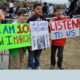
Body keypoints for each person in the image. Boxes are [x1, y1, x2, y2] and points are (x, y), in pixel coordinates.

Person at [27, 4, 46, 69]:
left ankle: (37, 65)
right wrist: (29, 44)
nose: (40, 10)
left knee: (37, 56)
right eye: (38, 9)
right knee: (31, 55)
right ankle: (30, 66)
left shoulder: (44, 19)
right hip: (32, 42)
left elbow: (46, 32)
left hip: (40, 42)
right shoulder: (30, 20)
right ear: (34, 10)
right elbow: (26, 33)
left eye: (41, 9)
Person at [50, 5, 69, 70]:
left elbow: (71, 27)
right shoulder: (53, 21)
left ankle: (59, 64)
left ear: (62, 11)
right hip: (54, 41)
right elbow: (50, 30)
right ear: (54, 13)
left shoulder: (66, 20)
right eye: (57, 11)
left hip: (62, 42)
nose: (59, 12)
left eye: (61, 11)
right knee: (52, 54)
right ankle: (52, 64)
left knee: (60, 55)